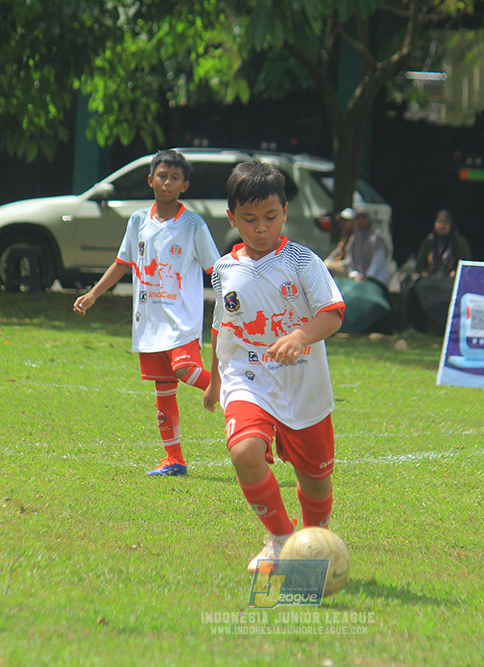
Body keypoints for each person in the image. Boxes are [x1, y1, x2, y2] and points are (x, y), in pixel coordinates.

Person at [203, 161, 345, 573]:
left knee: (314, 479)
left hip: (303, 383)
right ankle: (281, 538)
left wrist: (300, 336)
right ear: (232, 218)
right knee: (244, 451)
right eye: (249, 219)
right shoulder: (224, 270)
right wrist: (215, 380)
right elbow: (222, 327)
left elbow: (333, 313)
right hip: (248, 378)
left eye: (269, 217)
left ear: (284, 212)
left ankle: (313, 545)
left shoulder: (302, 261)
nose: (260, 228)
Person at [73, 149, 220, 476]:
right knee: (163, 390)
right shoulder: (138, 220)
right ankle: (174, 459)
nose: (168, 183)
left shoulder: (193, 224)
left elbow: (215, 269)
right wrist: (93, 294)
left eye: (175, 178)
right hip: (150, 322)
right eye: (162, 176)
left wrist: (233, 303)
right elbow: (122, 262)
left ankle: (241, 398)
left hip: (182, 320)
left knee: (185, 369)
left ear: (185, 186)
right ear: (150, 180)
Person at [343, 206, 391, 288]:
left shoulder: (377, 239)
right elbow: (350, 260)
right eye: (358, 218)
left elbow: (378, 261)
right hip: (358, 280)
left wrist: (368, 276)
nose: (360, 221)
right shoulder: (354, 239)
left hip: (377, 280)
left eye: (364, 218)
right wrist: (355, 274)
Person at [415, 209, 472, 278]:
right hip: (430, 278)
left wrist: (456, 272)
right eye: (439, 222)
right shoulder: (429, 241)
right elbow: (420, 264)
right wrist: (423, 272)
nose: (442, 226)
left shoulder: (459, 242)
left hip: (451, 279)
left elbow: (465, 265)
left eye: (445, 222)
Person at [322, 209, 355, 278]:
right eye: (342, 221)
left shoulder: (355, 238)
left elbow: (350, 261)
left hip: (351, 270)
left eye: (346, 221)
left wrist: (336, 263)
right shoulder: (344, 236)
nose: (343, 223)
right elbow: (336, 253)